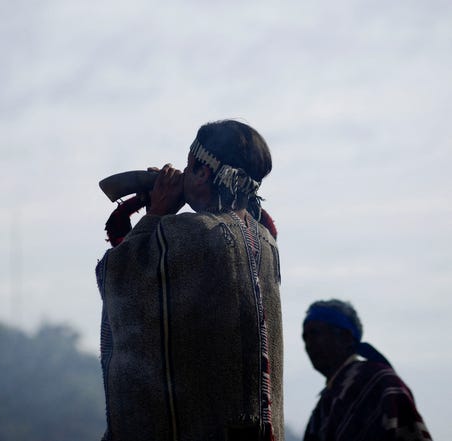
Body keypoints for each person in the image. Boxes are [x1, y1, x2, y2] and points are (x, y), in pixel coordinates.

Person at [96, 120, 283, 441]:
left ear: (202, 172)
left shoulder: (191, 232)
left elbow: (119, 280)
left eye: (188, 167)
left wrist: (156, 212)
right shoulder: (265, 241)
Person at [302, 299, 432, 441]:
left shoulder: (378, 380)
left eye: (315, 333)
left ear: (346, 337)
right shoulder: (324, 405)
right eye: (305, 337)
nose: (308, 344)